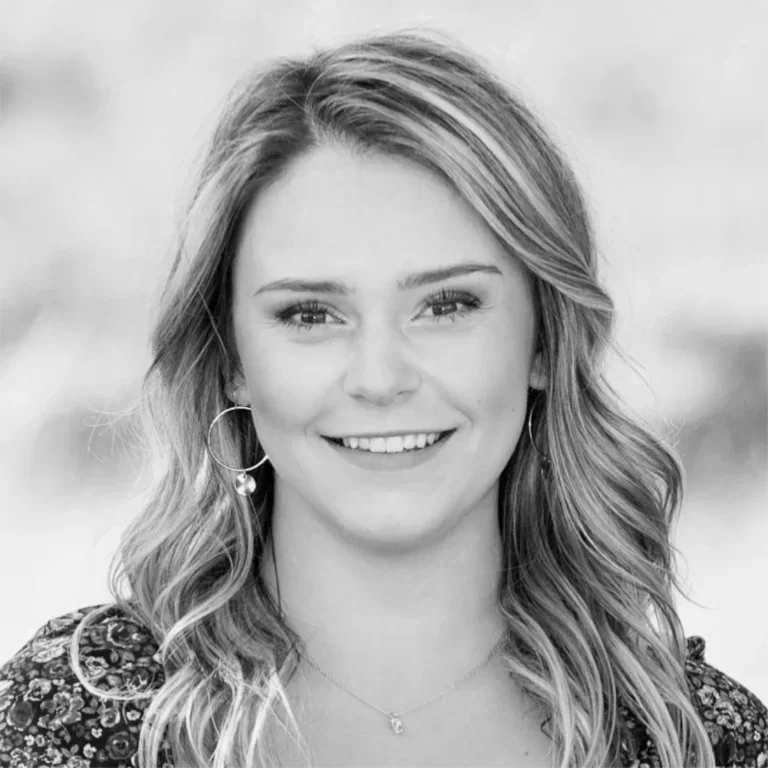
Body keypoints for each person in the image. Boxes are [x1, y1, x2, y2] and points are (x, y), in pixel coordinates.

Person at [0, 27, 766, 768]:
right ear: (232, 360)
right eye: (310, 314)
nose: (380, 377)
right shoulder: (74, 716)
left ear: (543, 341)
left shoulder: (698, 739)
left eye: (447, 306)